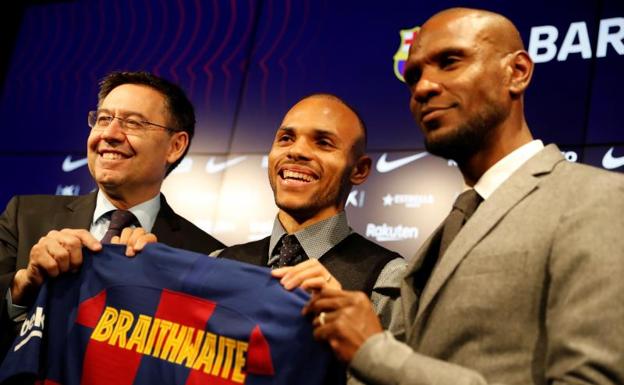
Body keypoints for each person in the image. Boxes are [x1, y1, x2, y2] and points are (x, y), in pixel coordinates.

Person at [304, 8, 624, 385]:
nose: (423, 87)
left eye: (450, 62)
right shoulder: (454, 225)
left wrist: (375, 351)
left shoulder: (597, 199)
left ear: (517, 72)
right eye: (414, 76)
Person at [0, 71, 224, 360]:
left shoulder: (205, 256)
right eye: (103, 119)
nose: (109, 134)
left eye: (133, 123)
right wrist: (24, 283)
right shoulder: (25, 216)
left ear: (175, 146)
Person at [218, 94, 406, 324]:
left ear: (359, 170)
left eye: (324, 143)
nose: (296, 151)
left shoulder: (389, 280)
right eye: (286, 138)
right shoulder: (219, 263)